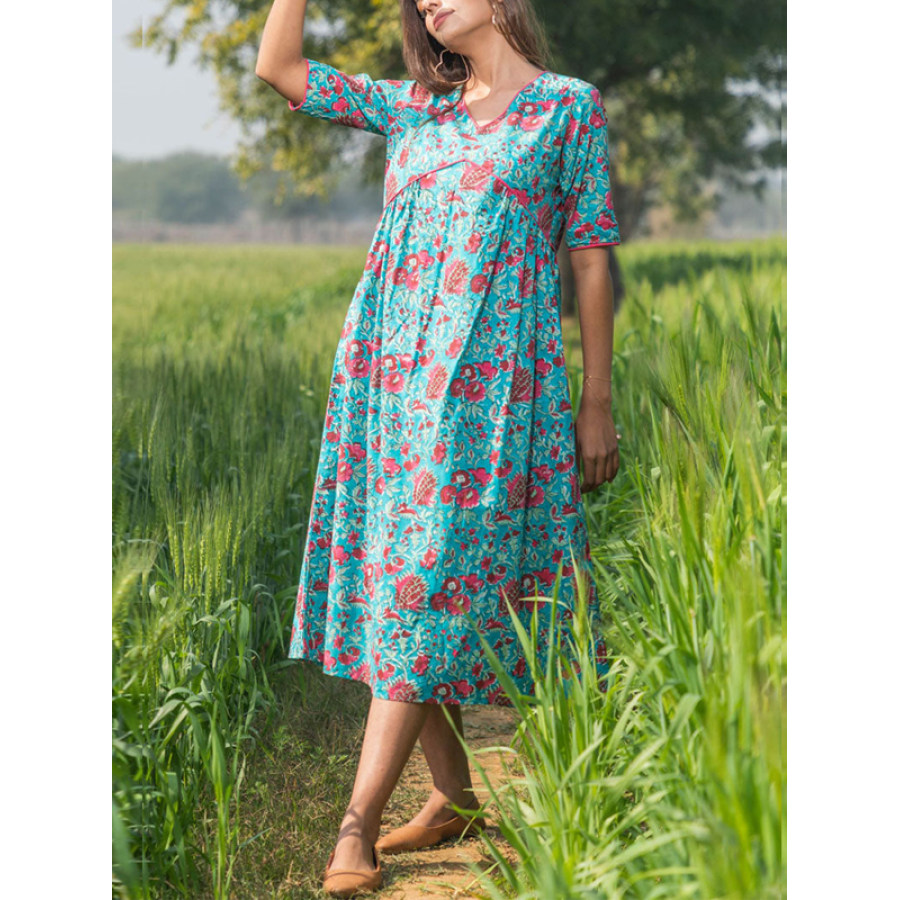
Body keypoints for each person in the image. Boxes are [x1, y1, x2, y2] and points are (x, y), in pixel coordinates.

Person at [256, 0, 622, 894]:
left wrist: (597, 403)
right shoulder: (418, 105)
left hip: (498, 393)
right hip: (389, 388)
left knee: (426, 580)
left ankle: (357, 826)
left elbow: (588, 258)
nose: (428, 1)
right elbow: (282, 68)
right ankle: (456, 796)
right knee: (406, 584)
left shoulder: (567, 108)